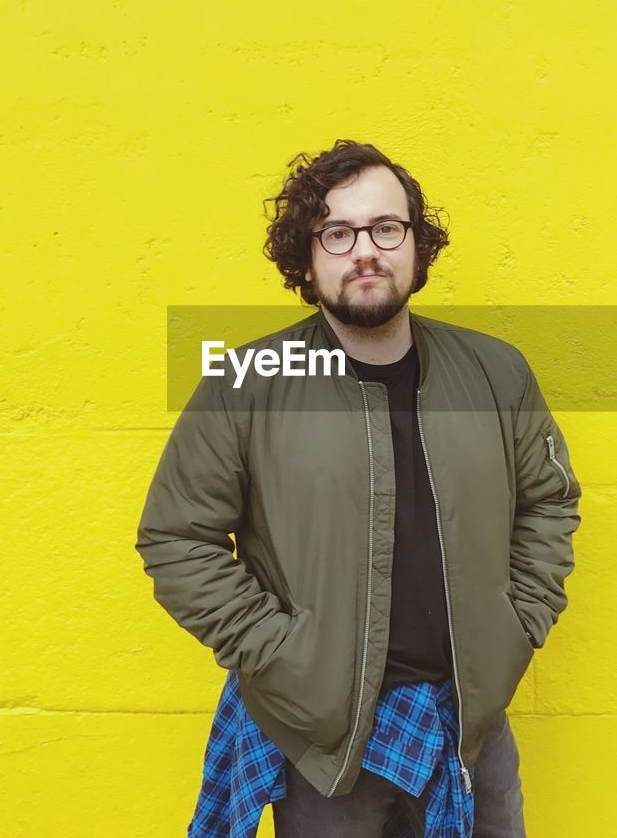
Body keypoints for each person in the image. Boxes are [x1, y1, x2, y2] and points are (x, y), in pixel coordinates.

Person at [137, 139, 582, 836]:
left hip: (471, 733)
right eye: (337, 233)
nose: (365, 251)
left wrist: (519, 618)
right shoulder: (247, 383)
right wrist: (278, 654)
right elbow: (174, 537)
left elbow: (549, 501)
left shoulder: (497, 374)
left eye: (385, 228)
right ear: (306, 260)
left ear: (416, 243)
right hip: (324, 753)